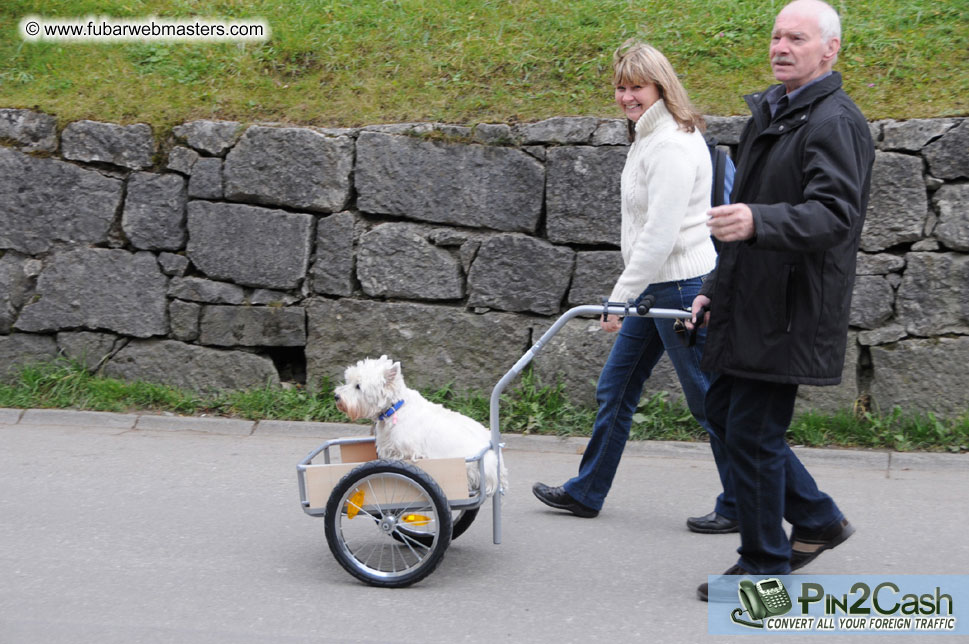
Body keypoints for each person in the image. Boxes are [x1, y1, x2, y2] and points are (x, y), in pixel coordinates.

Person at [690, 0, 875, 600]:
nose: (780, 46)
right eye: (776, 36)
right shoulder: (773, 112)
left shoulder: (834, 122)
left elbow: (836, 216)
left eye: (797, 37)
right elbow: (736, 219)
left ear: (830, 50)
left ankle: (765, 562)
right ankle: (816, 518)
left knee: (752, 430)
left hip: (791, 309)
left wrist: (759, 221)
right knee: (724, 415)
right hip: (751, 299)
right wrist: (714, 290)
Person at [532, 39, 736, 530]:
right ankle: (587, 491)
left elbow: (661, 235)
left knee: (709, 402)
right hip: (657, 287)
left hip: (683, 288)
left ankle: (744, 504)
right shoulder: (650, 136)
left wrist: (619, 300)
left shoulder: (668, 144)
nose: (626, 97)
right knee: (616, 388)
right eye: (620, 87)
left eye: (636, 87)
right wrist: (632, 295)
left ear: (660, 88)